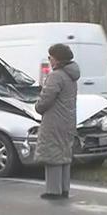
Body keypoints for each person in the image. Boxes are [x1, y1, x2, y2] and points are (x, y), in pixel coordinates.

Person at [35, 43, 80, 200]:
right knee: (64, 154)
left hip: (54, 121)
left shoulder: (56, 76)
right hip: (68, 120)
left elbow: (46, 99)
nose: (50, 60)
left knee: (52, 155)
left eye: (51, 57)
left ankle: (53, 190)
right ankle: (64, 189)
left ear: (58, 59)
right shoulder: (71, 76)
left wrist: (37, 106)